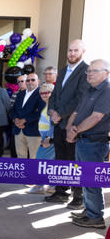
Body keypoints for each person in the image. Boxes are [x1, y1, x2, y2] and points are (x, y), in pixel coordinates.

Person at [67, 59, 110, 229]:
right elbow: (77, 112)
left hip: (94, 143)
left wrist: (75, 131)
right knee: (84, 179)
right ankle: (89, 210)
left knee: (91, 181)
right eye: (89, 71)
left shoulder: (107, 90)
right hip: (82, 141)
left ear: (106, 73)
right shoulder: (88, 89)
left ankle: (95, 217)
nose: (89, 73)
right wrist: (69, 128)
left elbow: (96, 117)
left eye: (94, 71)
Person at [46, 39, 89, 209]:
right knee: (60, 161)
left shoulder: (86, 71)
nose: (72, 53)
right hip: (58, 124)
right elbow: (54, 94)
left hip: (72, 125)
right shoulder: (63, 71)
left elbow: (80, 98)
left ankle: (78, 196)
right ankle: (61, 192)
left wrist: (60, 113)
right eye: (70, 50)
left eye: (75, 50)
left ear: (83, 52)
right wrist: (51, 111)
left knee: (74, 162)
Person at [9, 72, 45, 159]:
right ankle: (23, 173)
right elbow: (13, 109)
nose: (30, 82)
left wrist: (24, 120)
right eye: (28, 80)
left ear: (38, 81)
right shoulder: (20, 94)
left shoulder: (42, 93)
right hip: (18, 129)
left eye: (33, 80)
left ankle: (33, 173)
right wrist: (15, 119)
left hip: (33, 130)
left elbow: (41, 112)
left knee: (34, 157)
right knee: (20, 156)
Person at [28, 83, 55, 194]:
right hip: (46, 136)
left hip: (48, 137)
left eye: (47, 92)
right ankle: (52, 187)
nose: (44, 95)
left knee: (41, 161)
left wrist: (48, 138)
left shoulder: (52, 106)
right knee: (51, 163)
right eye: (42, 93)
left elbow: (52, 123)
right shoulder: (47, 105)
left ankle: (40, 186)